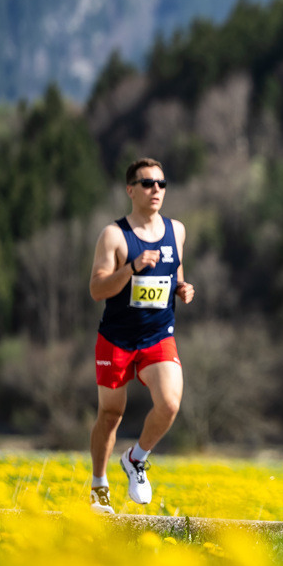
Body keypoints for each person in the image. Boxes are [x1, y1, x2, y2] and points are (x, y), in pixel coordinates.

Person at [88, 158, 195, 514]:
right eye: (148, 183)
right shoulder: (115, 235)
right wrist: (131, 267)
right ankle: (99, 484)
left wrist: (182, 287)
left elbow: (175, 267)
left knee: (169, 403)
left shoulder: (176, 230)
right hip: (117, 337)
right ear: (130, 189)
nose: (156, 190)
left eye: (162, 184)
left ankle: (136, 458)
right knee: (111, 414)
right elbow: (97, 289)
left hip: (157, 335)